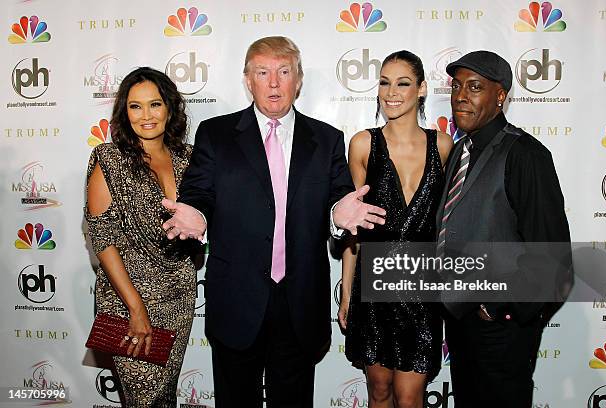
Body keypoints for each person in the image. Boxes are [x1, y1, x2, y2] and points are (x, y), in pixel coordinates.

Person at [160, 36, 386, 407]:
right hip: (236, 299)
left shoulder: (327, 138)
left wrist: (337, 215)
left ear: (299, 80)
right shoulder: (215, 134)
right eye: (262, 72)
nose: (274, 82)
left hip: (299, 303)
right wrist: (196, 214)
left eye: (284, 72)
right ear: (248, 80)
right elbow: (199, 194)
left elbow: (338, 200)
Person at [436, 50, 572, 408]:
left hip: (500, 329)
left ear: (500, 96)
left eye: (475, 87)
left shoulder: (525, 154)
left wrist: (503, 310)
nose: (461, 96)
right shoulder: (461, 151)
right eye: (457, 86)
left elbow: (552, 256)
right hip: (461, 325)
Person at [338, 51, 453, 408]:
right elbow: (351, 229)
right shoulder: (362, 144)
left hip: (421, 289)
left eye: (403, 83)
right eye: (385, 82)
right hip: (373, 287)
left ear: (421, 89)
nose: (392, 92)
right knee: (380, 391)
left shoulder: (444, 146)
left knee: (409, 396)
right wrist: (345, 296)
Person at [85, 67, 196, 407]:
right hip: (128, 301)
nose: (146, 115)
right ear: (124, 112)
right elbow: (102, 239)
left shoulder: (188, 158)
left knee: (164, 395)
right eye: (135, 106)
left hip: (179, 295)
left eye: (155, 104)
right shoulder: (110, 159)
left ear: (170, 108)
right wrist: (136, 308)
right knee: (143, 399)